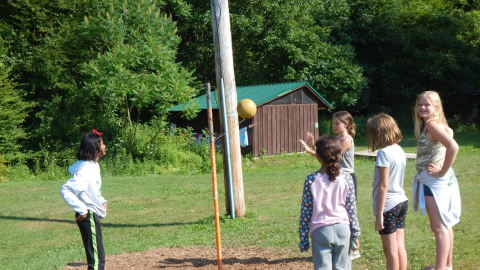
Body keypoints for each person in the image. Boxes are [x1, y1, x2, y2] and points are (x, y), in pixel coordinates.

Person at [412, 91, 460, 270]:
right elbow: (449, 139)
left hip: (434, 183)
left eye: (427, 104)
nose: (422, 107)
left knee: (438, 227)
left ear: (436, 107)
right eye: (420, 104)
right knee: (445, 224)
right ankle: (446, 265)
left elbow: (453, 146)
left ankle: (441, 268)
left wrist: (442, 171)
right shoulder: (438, 125)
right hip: (440, 182)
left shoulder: (432, 125)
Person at [298, 135, 360, 270]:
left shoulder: (311, 179)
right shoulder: (347, 178)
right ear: (339, 155)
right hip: (343, 229)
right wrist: (355, 233)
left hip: (320, 231)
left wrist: (303, 238)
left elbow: (306, 211)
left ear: (318, 155)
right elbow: (351, 209)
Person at [60, 129, 108, 270]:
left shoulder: (93, 166)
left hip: (92, 212)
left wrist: (102, 201)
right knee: (97, 260)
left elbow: (91, 190)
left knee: (97, 255)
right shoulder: (85, 169)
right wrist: (81, 209)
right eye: (102, 144)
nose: (105, 146)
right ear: (96, 148)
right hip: (88, 214)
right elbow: (66, 189)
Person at [367, 114, 409, 270]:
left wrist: (379, 215)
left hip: (388, 206)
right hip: (401, 201)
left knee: (390, 250)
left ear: (378, 133)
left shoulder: (383, 153)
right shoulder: (399, 150)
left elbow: (383, 185)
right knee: (399, 247)